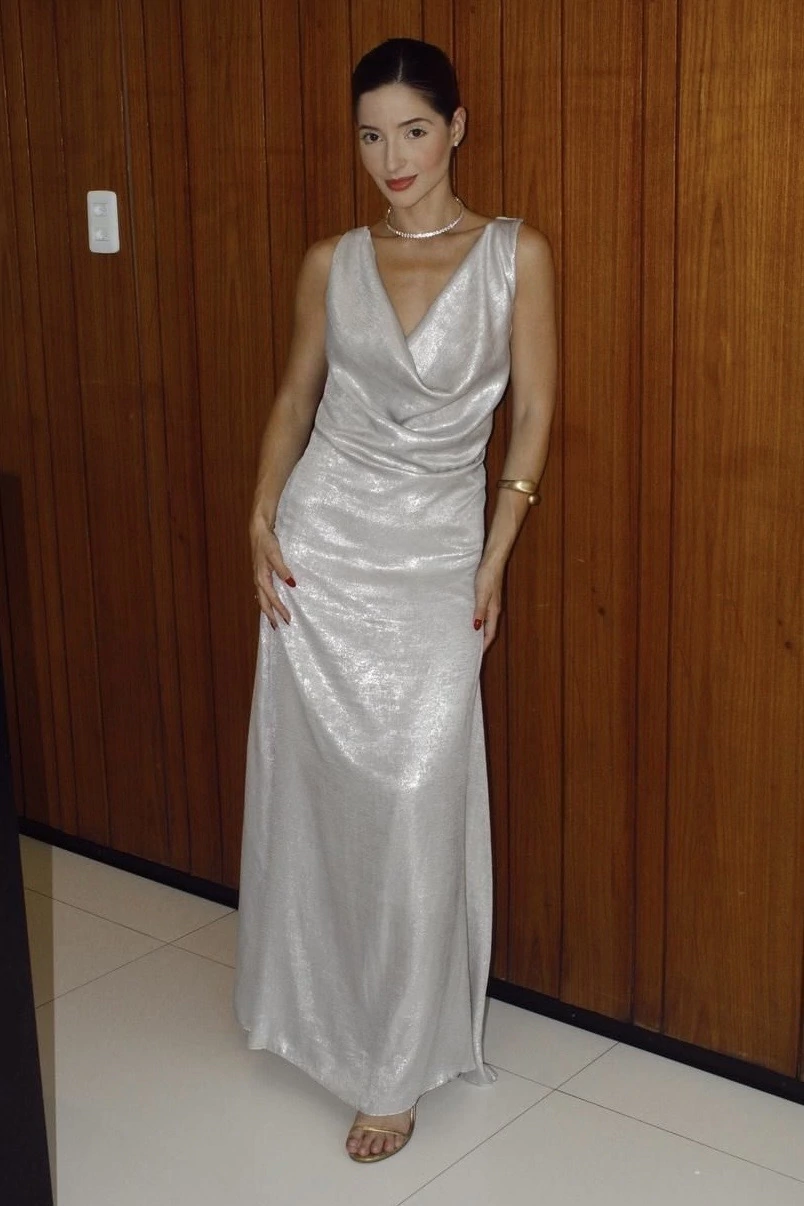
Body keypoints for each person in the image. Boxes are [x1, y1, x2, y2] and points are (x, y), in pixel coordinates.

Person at [233, 36, 557, 1163]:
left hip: (437, 552)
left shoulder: (515, 254)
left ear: (457, 127)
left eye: (414, 129)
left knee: (417, 796)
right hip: (324, 543)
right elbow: (296, 394)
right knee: (320, 790)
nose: (393, 157)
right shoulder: (332, 260)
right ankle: (313, 1010)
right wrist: (261, 513)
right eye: (371, 135)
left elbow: (533, 416)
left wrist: (496, 553)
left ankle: (399, 1060)